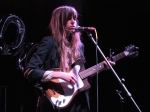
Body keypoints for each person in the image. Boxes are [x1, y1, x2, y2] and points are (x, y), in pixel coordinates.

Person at [23, 5, 115, 112]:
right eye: (68, 18)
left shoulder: (79, 46)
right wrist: (61, 75)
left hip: (79, 101)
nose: (73, 22)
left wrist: (102, 67)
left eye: (75, 18)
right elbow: (29, 71)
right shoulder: (49, 42)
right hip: (57, 99)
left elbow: (81, 76)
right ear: (59, 21)